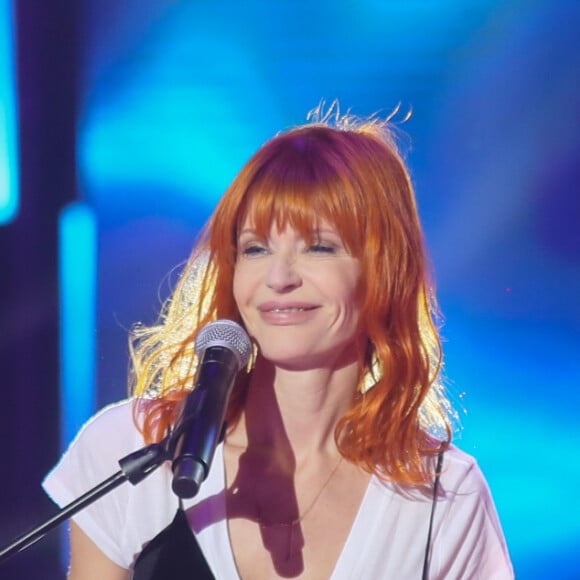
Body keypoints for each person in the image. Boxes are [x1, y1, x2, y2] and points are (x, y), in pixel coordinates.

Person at [43, 105, 514, 579]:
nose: (279, 277)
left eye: (319, 246)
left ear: (384, 272)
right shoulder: (136, 449)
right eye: (255, 248)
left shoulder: (443, 493)